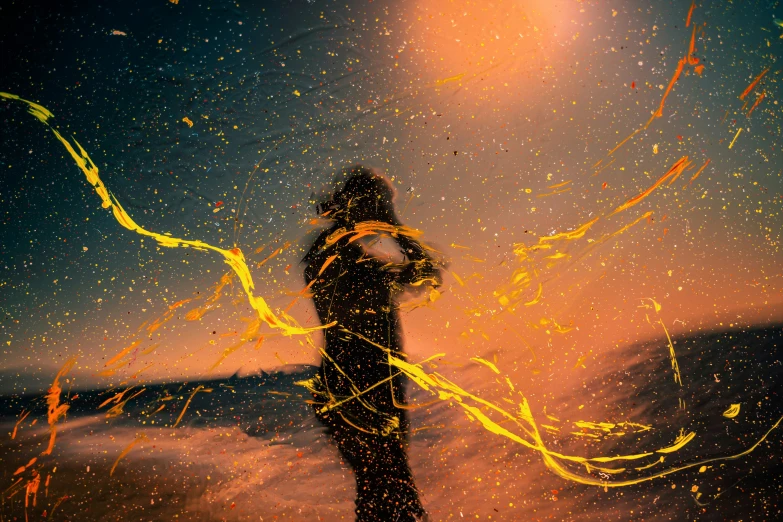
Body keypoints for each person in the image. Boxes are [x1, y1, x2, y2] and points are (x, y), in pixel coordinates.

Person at [302, 165, 440, 522]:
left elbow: (427, 275)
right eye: (378, 204)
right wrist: (395, 227)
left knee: (382, 495)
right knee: (393, 497)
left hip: (367, 384)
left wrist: (391, 224)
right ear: (362, 205)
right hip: (358, 385)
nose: (381, 213)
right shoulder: (335, 254)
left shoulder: (348, 254)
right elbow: (423, 273)